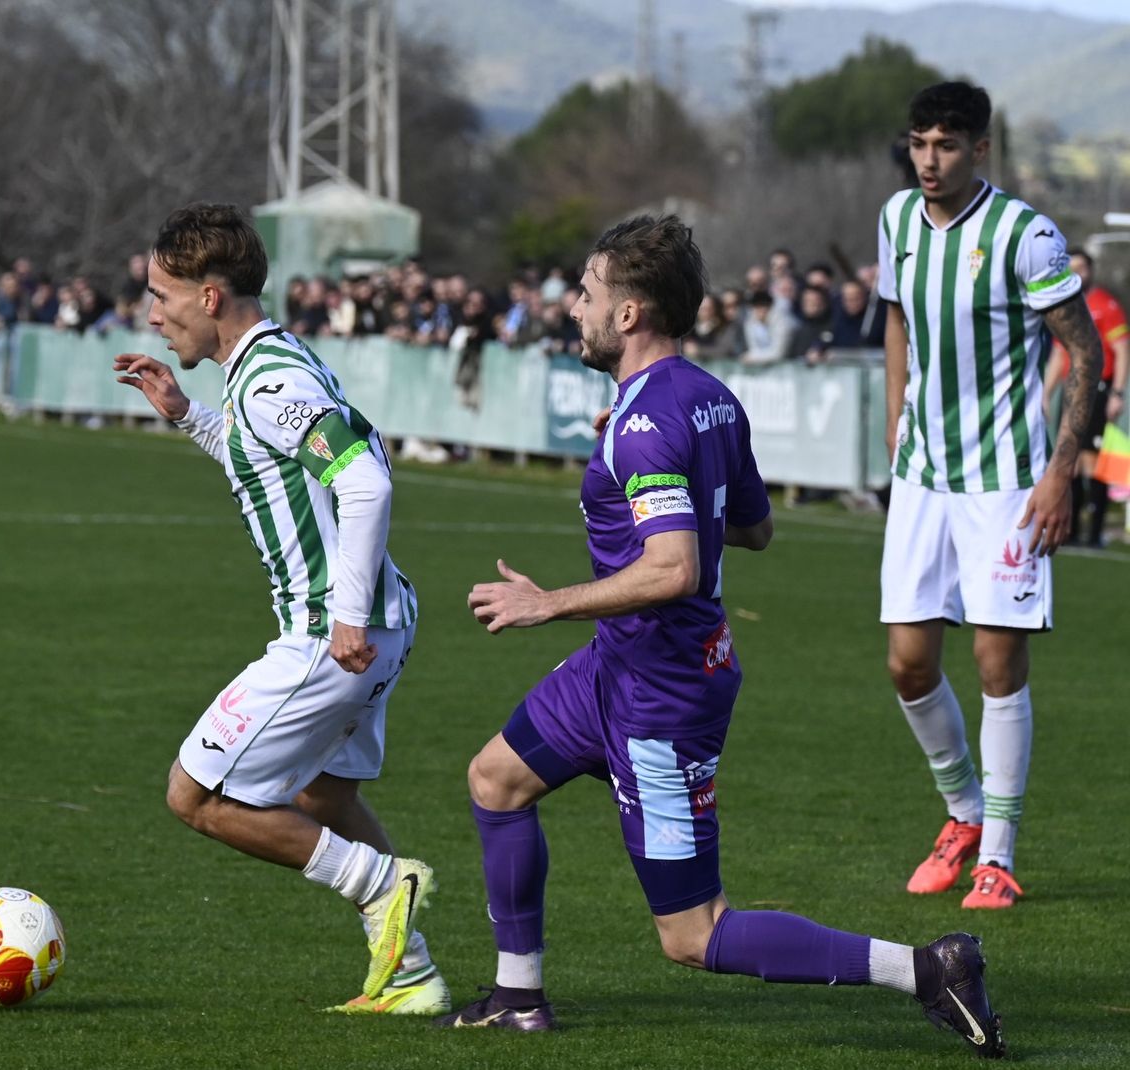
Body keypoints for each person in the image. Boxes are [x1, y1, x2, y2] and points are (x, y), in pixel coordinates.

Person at [438, 214, 1004, 1060]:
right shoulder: (705, 398)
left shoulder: (645, 423)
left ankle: (929, 969)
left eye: (588, 295)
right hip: (617, 666)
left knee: (693, 933)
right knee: (496, 779)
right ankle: (518, 995)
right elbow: (753, 528)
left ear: (629, 314)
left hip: (661, 694)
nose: (574, 309)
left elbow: (675, 570)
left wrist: (546, 603)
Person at [111, 203, 448, 1015]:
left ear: (212, 295)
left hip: (329, 639)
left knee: (193, 797)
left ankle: (382, 882)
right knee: (323, 802)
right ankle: (412, 975)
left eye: (164, 296)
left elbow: (363, 478)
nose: (154, 314)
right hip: (377, 627)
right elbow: (270, 461)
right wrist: (190, 417)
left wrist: (346, 616)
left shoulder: (271, 381)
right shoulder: (265, 366)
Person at [876, 82, 1103, 911]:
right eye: (918, 143)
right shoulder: (897, 219)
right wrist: (897, 412)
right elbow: (897, 317)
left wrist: (1058, 472)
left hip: (1007, 480)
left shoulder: (1026, 236)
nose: (928, 160)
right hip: (923, 476)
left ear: (980, 150)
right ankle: (963, 814)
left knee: (996, 662)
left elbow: (1087, 356)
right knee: (907, 662)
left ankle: (998, 854)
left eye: (945, 145)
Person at [1042, 248, 1129, 548]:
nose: (1078, 272)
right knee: (1071, 459)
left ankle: (1094, 534)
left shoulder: (1106, 305)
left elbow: (1121, 349)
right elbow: (1057, 353)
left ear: (1091, 271)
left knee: (1095, 463)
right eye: (1072, 267)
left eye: (1083, 267)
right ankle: (1073, 531)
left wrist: (1117, 393)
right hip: (1071, 390)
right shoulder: (1066, 305)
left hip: (1097, 389)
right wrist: (1046, 393)